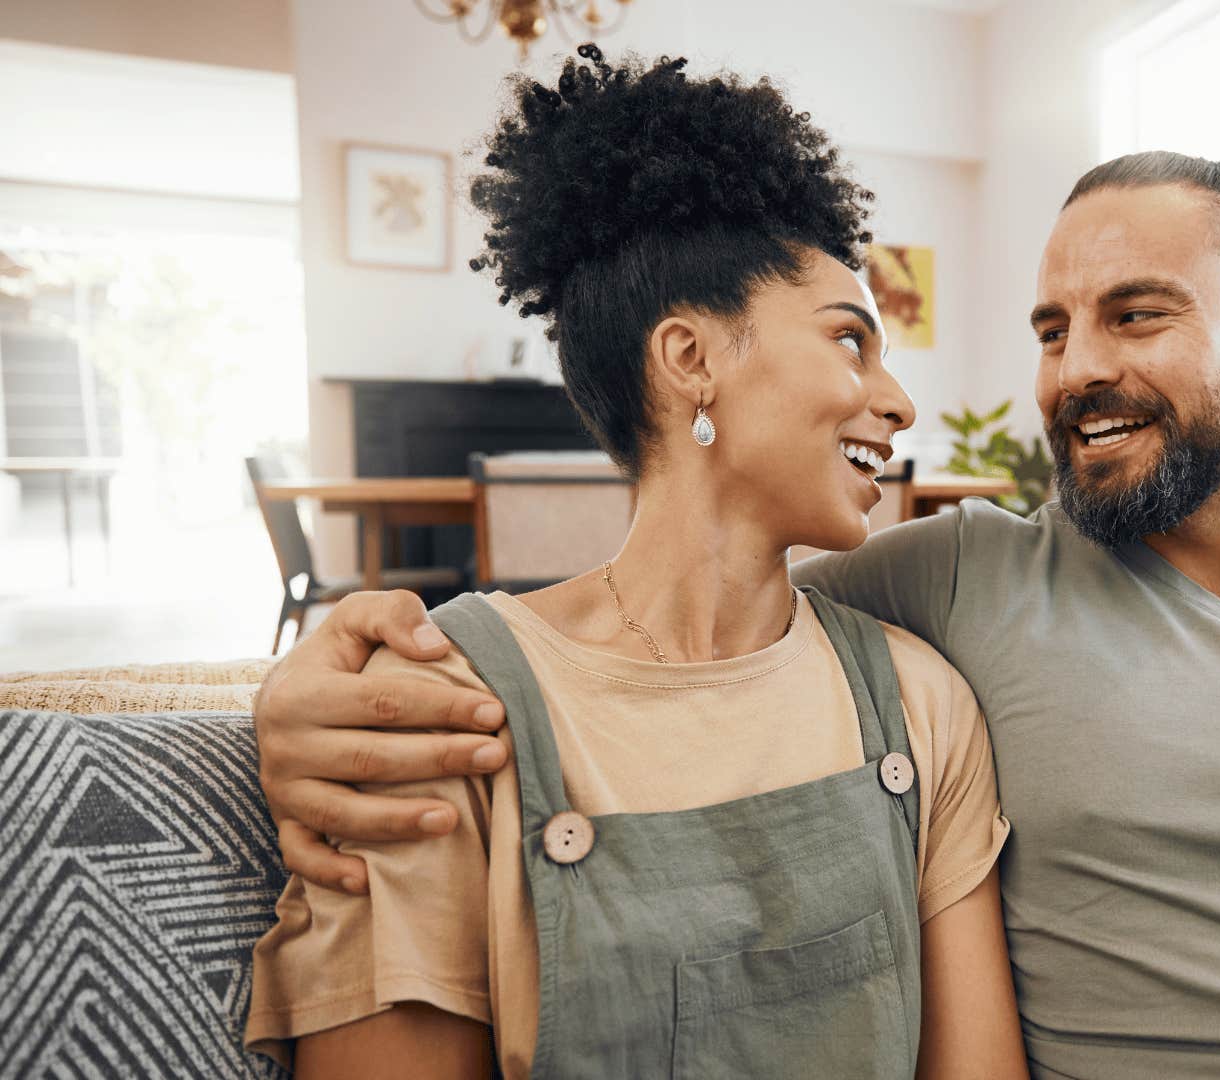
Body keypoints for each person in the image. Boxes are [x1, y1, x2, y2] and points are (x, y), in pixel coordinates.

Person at [252, 149, 1220, 1077]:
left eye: (1134, 315)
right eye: (1050, 327)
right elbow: (662, 635)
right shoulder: (956, 592)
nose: (1068, 372)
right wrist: (314, 680)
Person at [242, 46, 1026, 1080]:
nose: (899, 403)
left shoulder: (922, 704)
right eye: (850, 339)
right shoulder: (439, 714)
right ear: (692, 360)